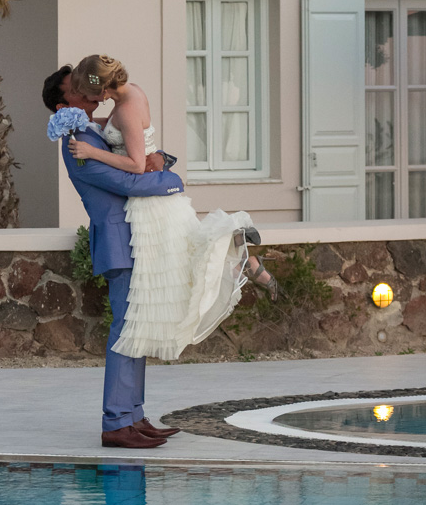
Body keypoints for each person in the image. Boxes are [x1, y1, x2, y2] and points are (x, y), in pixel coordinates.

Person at [68, 55, 281, 361]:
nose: (87, 100)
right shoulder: (132, 92)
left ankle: (235, 251)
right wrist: (89, 122)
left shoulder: (126, 108)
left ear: (102, 90)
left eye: (88, 94)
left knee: (177, 271)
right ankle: (240, 262)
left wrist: (91, 151)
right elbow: (120, 130)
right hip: (159, 196)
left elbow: (136, 164)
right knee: (185, 257)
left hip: (151, 202)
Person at [42, 65, 181, 449]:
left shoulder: (93, 131)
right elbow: (124, 181)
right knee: (125, 329)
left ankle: (133, 416)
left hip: (134, 236)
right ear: (62, 103)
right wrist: (172, 180)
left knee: (135, 327)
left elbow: (129, 155)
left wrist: (159, 158)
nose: (88, 91)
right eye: (76, 89)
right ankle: (116, 423)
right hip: (118, 242)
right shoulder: (75, 141)